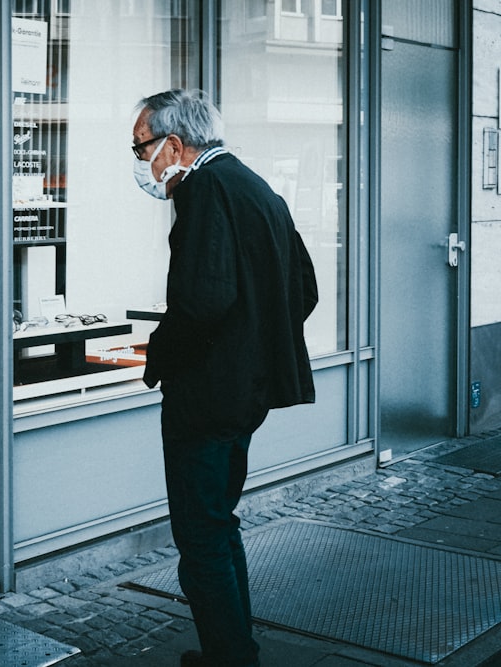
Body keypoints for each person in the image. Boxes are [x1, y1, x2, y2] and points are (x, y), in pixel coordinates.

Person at [133, 89, 318, 667]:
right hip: (243, 393)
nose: (142, 163)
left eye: (142, 148)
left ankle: (230, 656)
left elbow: (202, 301)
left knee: (201, 534)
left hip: (206, 398)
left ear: (176, 144)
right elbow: (304, 288)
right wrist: (255, 351)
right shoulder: (254, 186)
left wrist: (158, 353)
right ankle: (235, 649)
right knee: (218, 521)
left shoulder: (206, 190)